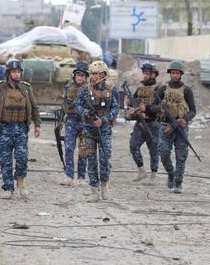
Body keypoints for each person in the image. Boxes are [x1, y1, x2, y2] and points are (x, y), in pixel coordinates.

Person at [0, 58, 41, 199]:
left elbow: (34, 107)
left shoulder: (26, 88)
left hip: (21, 128)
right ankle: (8, 187)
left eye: (19, 72)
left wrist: (37, 125)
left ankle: (20, 180)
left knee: (22, 157)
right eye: (14, 72)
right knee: (5, 159)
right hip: (5, 128)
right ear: (8, 73)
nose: (17, 75)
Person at [76, 60, 119, 202]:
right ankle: (94, 190)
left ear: (102, 74)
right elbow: (78, 106)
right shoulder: (85, 90)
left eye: (94, 74)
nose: (92, 76)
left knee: (105, 159)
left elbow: (115, 108)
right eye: (91, 74)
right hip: (89, 129)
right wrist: (87, 114)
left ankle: (104, 185)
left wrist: (104, 119)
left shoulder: (112, 89)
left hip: (104, 129)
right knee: (91, 160)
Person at [152, 60, 196, 194]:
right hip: (165, 126)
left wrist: (185, 119)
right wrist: (161, 108)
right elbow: (153, 107)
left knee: (181, 155)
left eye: (177, 73)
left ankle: (178, 182)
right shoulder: (162, 89)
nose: (175, 75)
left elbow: (193, 110)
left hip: (181, 127)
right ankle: (171, 173)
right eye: (173, 73)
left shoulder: (187, 90)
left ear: (181, 74)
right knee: (163, 152)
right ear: (170, 74)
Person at [125, 62, 160, 185]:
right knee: (133, 146)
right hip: (140, 124)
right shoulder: (140, 89)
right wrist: (129, 104)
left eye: (147, 73)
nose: (144, 76)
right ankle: (141, 171)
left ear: (153, 75)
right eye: (143, 73)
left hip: (153, 124)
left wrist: (148, 109)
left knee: (154, 150)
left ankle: (154, 175)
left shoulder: (159, 89)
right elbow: (134, 104)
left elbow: (160, 107)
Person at [59, 62, 89, 187]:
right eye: (78, 75)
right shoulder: (68, 87)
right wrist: (60, 120)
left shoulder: (89, 89)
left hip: (84, 121)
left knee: (83, 150)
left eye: (82, 75)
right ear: (75, 75)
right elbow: (64, 105)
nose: (80, 77)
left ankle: (81, 177)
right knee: (69, 148)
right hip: (71, 120)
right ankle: (69, 176)